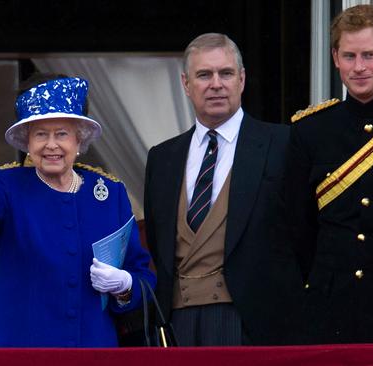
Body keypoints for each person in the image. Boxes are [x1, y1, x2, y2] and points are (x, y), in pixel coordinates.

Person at [0, 75, 155, 347]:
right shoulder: (7, 186)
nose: (51, 145)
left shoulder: (108, 193)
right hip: (20, 349)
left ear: (79, 141)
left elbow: (142, 275)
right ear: (27, 142)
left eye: (62, 134)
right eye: (41, 134)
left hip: (92, 350)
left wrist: (125, 285)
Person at [144, 33, 296, 346]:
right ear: (186, 84)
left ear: (241, 80)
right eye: (204, 75)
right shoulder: (162, 157)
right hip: (178, 321)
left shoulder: (282, 144)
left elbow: (301, 235)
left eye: (225, 73)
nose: (216, 84)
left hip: (252, 321)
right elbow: (160, 246)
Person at [286, 4, 373, 344]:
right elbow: (298, 228)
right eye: (348, 56)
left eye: (369, 55)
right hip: (331, 308)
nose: (358, 67)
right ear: (334, 58)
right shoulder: (310, 130)